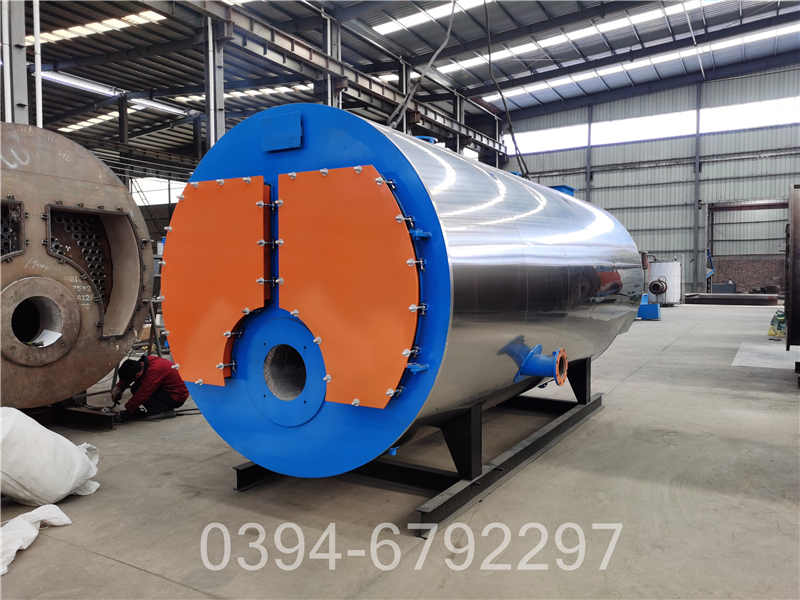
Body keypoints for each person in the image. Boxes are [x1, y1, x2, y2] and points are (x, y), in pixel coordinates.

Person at [112, 355, 189, 420]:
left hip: (177, 396)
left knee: (138, 390)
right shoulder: (142, 363)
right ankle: (158, 408)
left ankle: (164, 411)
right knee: (135, 388)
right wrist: (119, 388)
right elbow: (129, 373)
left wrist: (128, 411)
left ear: (137, 375)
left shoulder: (154, 371)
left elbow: (142, 394)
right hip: (166, 388)